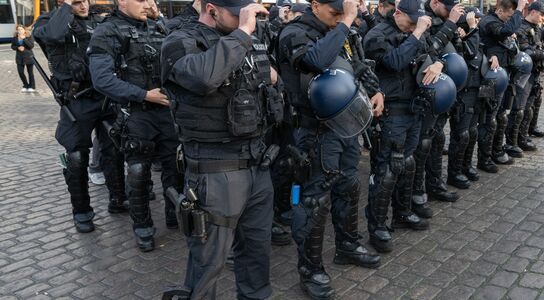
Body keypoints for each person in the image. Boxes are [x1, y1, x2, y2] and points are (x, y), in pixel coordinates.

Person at [160, 0, 282, 297]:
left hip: (256, 163)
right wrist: (242, 33)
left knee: (256, 253)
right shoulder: (180, 41)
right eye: (237, 12)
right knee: (207, 263)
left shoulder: (245, 39)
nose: (246, 18)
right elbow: (204, 77)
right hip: (214, 171)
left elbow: (271, 81)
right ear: (212, 9)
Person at [278, 0, 383, 297]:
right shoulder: (294, 33)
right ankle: (310, 270)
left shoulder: (339, 31)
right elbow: (315, 61)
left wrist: (376, 91)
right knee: (314, 199)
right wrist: (347, 21)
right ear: (315, 5)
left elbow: (355, 64)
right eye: (334, 13)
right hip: (313, 130)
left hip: (345, 124)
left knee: (349, 185)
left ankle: (347, 245)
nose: (339, 19)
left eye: (343, 13)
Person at [88, 0, 181, 252]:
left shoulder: (158, 26)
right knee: (139, 171)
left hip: (166, 111)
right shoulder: (107, 31)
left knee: (175, 167)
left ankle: (175, 216)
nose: (147, 3)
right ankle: (143, 227)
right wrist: (143, 95)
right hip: (136, 112)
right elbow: (102, 79)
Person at [34, 0, 128, 233]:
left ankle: (118, 198)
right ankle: (82, 211)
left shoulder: (99, 21)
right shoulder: (49, 21)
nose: (84, 5)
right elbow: (53, 35)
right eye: (77, 2)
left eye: (85, 0)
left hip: (104, 96)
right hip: (76, 100)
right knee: (76, 157)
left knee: (114, 148)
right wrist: (67, 8)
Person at [363, 0, 438, 255]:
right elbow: (394, 62)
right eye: (412, 21)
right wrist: (416, 34)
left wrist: (439, 64)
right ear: (397, 13)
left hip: (414, 107)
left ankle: (402, 212)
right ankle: (377, 226)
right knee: (387, 169)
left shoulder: (415, 33)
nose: (415, 26)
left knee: (408, 163)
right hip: (391, 110)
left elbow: (432, 55)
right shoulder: (377, 35)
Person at [410, 0, 464, 215]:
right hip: (423, 93)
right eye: (449, 6)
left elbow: (445, 51)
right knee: (421, 146)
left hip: (442, 91)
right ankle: (417, 192)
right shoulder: (423, 19)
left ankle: (434, 184)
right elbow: (431, 46)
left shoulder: (442, 20)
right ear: (434, 3)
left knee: (437, 139)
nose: (453, 11)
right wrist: (451, 22)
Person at [477, 0, 525, 172]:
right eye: (508, 15)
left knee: (499, 117)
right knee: (488, 119)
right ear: (499, 10)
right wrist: (519, 9)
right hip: (489, 79)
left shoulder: (497, 21)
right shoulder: (489, 22)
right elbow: (505, 31)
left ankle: (496, 151)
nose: (509, 19)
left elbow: (506, 34)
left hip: (501, 77)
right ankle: (484, 158)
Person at [447, 8, 482, 189]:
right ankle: (455, 172)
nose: (477, 22)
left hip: (477, 91)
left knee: (472, 132)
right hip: (464, 92)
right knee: (461, 134)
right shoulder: (459, 39)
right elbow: (470, 53)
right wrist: (471, 29)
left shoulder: (475, 38)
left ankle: (466, 166)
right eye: (474, 19)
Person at [514, 2, 544, 151]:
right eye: (541, 14)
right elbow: (527, 52)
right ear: (532, 12)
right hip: (525, 74)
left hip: (535, 72)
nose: (543, 17)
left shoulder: (537, 28)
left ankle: (523, 136)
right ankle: (516, 140)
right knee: (520, 108)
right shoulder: (521, 28)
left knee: (530, 106)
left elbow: (542, 43)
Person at [12, 25, 35, 93]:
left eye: (21, 29)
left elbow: (31, 46)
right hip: (19, 58)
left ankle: (32, 86)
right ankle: (25, 85)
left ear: (24, 30)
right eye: (18, 29)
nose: (20, 31)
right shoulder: (15, 38)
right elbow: (12, 46)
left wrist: (24, 39)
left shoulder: (29, 36)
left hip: (28, 57)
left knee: (30, 73)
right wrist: (17, 48)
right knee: (21, 72)